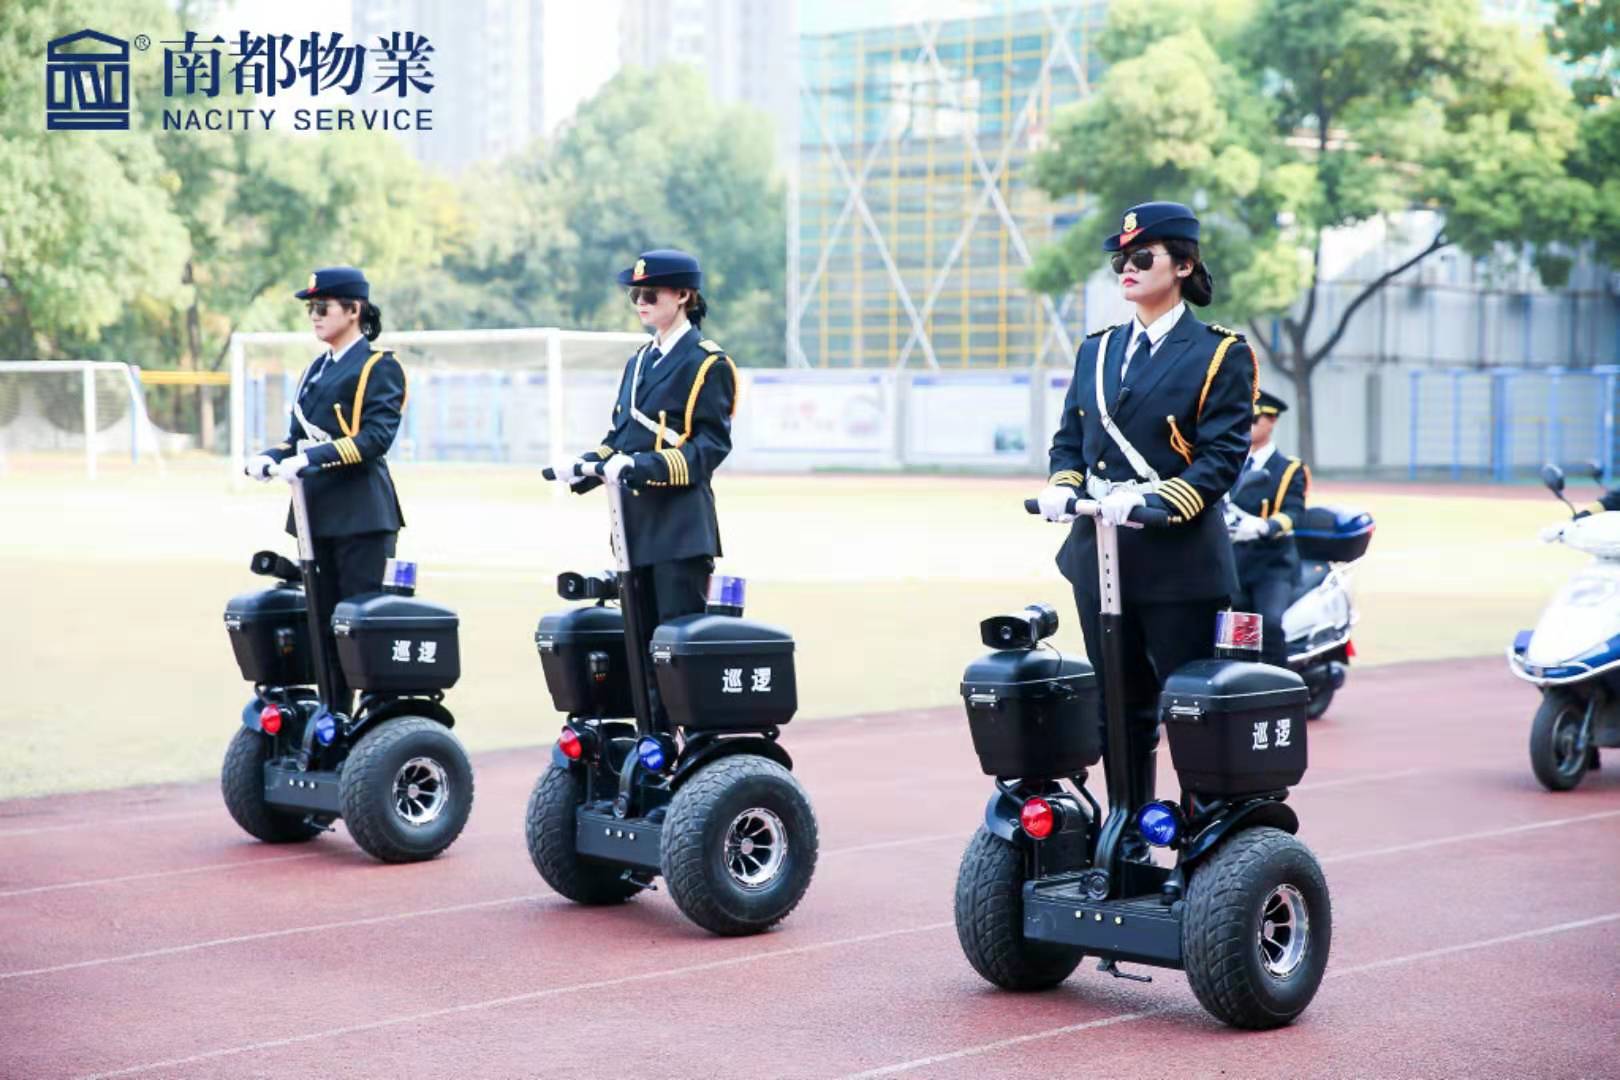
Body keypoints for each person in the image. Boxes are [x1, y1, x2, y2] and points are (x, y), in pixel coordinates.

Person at [1037, 201, 1257, 833]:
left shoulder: (1219, 354)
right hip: (1100, 556)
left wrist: (1154, 501)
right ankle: (1127, 829)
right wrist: (1062, 485)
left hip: (1178, 560)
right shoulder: (1098, 350)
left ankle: (1206, 839)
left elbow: (1221, 459)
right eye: (1120, 261)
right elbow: (1070, 440)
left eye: (1141, 257)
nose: (1126, 269)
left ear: (1183, 265)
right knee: (1116, 707)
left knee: (1192, 708)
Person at [245, 266, 406, 713]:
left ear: (354, 311)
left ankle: (374, 722)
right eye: (311, 309)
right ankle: (332, 715)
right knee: (321, 627)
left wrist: (313, 458)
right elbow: (296, 438)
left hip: (361, 515)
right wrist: (270, 457)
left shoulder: (378, 366)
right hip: (315, 514)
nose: (314, 316)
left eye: (322, 307)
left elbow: (375, 438)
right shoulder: (315, 369)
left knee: (360, 626)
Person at [555, 248, 739, 629]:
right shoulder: (638, 361)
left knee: (672, 648)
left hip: (679, 531)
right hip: (633, 528)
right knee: (635, 647)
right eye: (635, 294)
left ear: (683, 296)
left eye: (651, 294)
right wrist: (583, 466)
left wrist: (643, 466)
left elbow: (710, 447)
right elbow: (621, 437)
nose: (641, 302)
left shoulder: (707, 363)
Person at [1226, 389, 1309, 667]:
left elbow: (1294, 512)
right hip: (1236, 561)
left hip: (1272, 564)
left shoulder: (1288, 469)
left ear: (1272, 421)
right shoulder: (1229, 464)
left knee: (1269, 624)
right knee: (1235, 632)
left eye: (1253, 420)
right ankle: (1243, 683)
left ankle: (1280, 684)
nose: (1246, 426)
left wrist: (1267, 525)